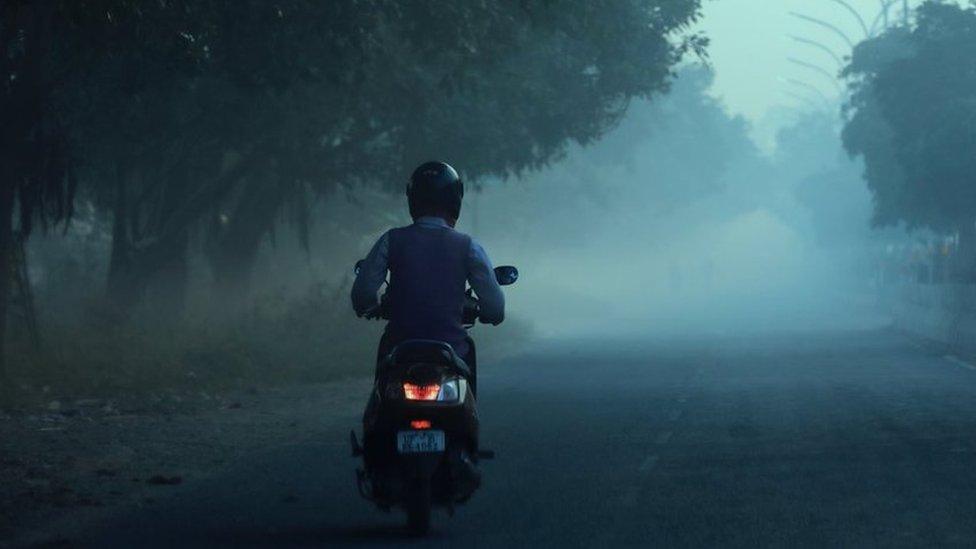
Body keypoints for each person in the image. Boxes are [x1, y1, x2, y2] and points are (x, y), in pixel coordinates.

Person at [350, 161, 505, 379]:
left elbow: (363, 293)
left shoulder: (391, 240)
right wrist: (490, 314)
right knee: (466, 405)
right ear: (455, 199)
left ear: (412, 198)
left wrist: (369, 307)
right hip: (452, 352)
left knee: (379, 403)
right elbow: (495, 306)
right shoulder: (468, 246)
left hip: (399, 350)